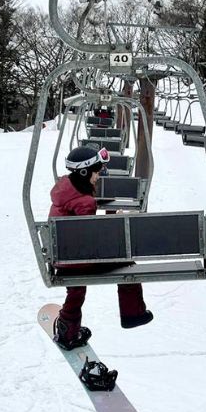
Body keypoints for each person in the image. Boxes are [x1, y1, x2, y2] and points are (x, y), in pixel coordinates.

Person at [50, 146, 153, 351]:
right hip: (78, 260)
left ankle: (68, 327)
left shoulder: (66, 189)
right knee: (127, 266)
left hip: (62, 258)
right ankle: (134, 313)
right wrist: (114, 220)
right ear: (84, 172)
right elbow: (92, 237)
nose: (98, 177)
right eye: (97, 172)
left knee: (77, 289)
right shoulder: (84, 201)